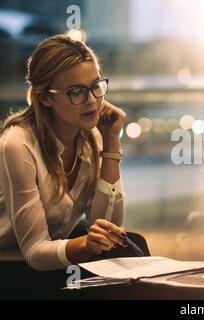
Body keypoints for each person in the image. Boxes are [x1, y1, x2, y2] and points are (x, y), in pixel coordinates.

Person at [0, 35, 146, 298]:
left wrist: (112, 141)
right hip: (11, 267)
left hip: (49, 258)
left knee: (129, 246)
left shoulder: (93, 134)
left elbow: (106, 227)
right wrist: (87, 246)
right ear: (45, 98)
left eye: (96, 86)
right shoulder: (18, 143)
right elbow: (34, 252)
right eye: (76, 92)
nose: (92, 100)